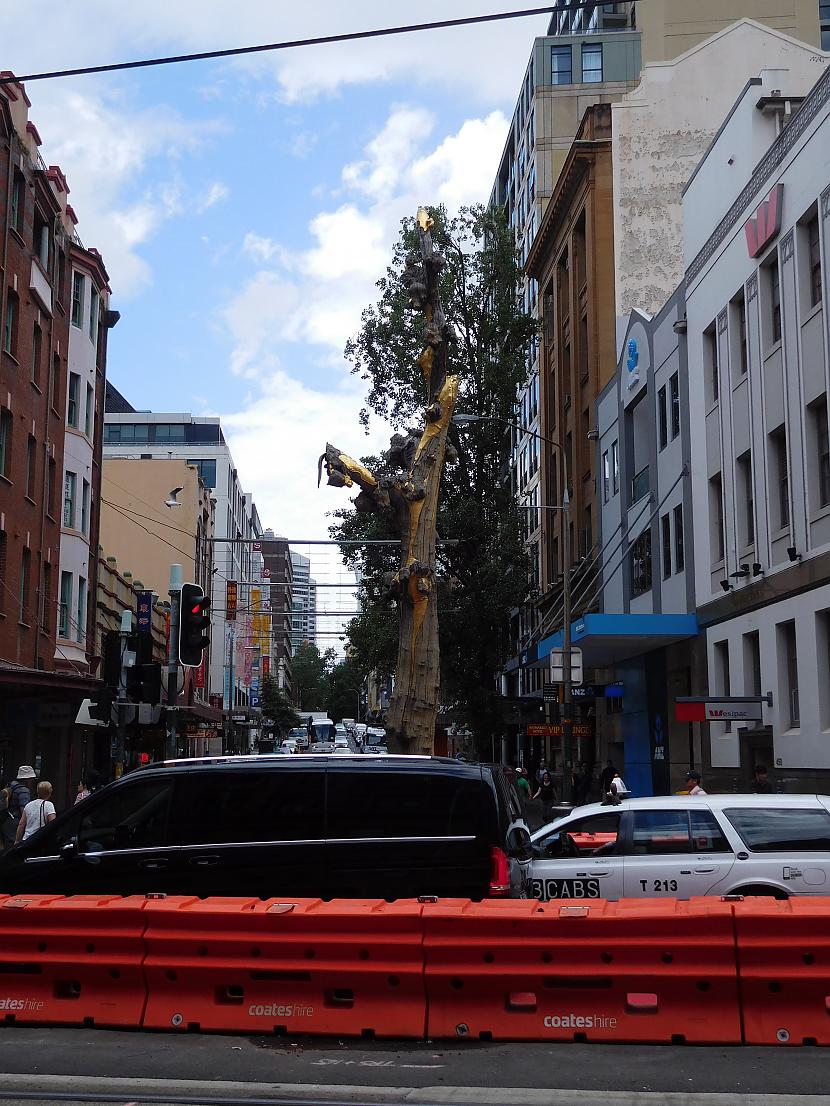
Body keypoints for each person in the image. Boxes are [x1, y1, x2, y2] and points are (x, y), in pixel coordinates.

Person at [14, 781, 56, 846]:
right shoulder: (49, 805)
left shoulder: (28, 805)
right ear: (49, 792)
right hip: (40, 840)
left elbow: (21, 824)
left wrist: (17, 841)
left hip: (27, 840)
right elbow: (53, 823)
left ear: (37, 791)